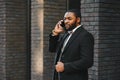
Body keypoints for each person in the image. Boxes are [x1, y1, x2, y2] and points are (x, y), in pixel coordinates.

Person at [49, 9, 94, 80]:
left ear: (78, 20)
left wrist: (65, 67)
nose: (66, 21)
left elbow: (87, 61)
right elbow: (52, 49)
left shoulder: (85, 36)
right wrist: (55, 33)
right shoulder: (66, 35)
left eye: (69, 19)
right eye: (65, 19)